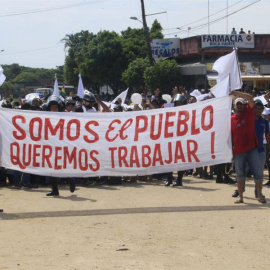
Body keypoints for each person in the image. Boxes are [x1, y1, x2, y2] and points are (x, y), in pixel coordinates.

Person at [230, 91, 266, 203]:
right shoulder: (231, 119)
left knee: (258, 173)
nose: (240, 105)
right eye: (238, 104)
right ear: (235, 106)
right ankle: (241, 197)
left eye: (241, 103)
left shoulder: (249, 113)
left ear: (244, 105)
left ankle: (259, 195)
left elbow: (250, 98)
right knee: (240, 175)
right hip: (239, 151)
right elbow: (230, 137)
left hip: (252, 149)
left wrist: (236, 93)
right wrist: (231, 152)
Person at [45, 95, 76, 196]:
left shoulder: (64, 117)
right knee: (51, 169)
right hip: (50, 146)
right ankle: (55, 190)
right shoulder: (45, 118)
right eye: (52, 107)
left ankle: (70, 179)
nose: (54, 109)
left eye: (55, 107)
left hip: (62, 146)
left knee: (63, 166)